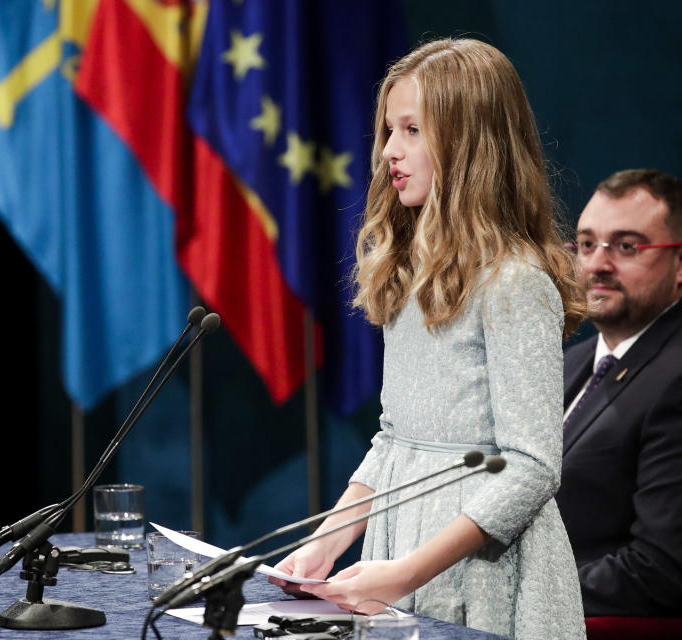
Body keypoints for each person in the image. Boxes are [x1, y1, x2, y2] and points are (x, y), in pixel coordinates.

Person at [268, 38, 587, 639]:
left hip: (486, 575)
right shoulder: (411, 274)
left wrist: (407, 572)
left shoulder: (515, 282)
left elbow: (532, 467)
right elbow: (396, 440)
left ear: (471, 144)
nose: (390, 150)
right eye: (390, 129)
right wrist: (324, 544)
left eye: (413, 130)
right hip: (401, 547)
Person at [555, 169, 682, 618]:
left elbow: (661, 570)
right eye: (587, 244)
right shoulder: (568, 363)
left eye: (627, 246)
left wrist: (523, 601)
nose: (597, 265)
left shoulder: (675, 376)